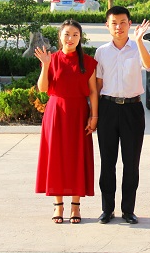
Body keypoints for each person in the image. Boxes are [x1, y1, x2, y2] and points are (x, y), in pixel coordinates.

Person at [34, 19, 98, 224]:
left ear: (80, 38)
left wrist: (94, 116)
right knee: (56, 157)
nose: (70, 38)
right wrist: (45, 65)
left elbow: (93, 91)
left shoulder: (88, 62)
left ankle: (75, 206)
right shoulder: (51, 59)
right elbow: (43, 88)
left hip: (79, 112)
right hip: (56, 113)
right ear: (60, 37)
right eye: (67, 34)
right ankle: (58, 205)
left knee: (77, 157)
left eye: (75, 35)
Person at [94, 6, 150, 225]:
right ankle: (107, 209)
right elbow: (98, 85)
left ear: (130, 24)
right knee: (107, 162)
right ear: (107, 26)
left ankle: (128, 210)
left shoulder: (139, 46)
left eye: (123, 22)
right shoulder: (101, 52)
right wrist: (94, 115)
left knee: (131, 163)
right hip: (108, 108)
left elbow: (148, 65)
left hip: (132, 110)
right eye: (114, 23)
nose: (119, 27)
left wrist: (139, 41)